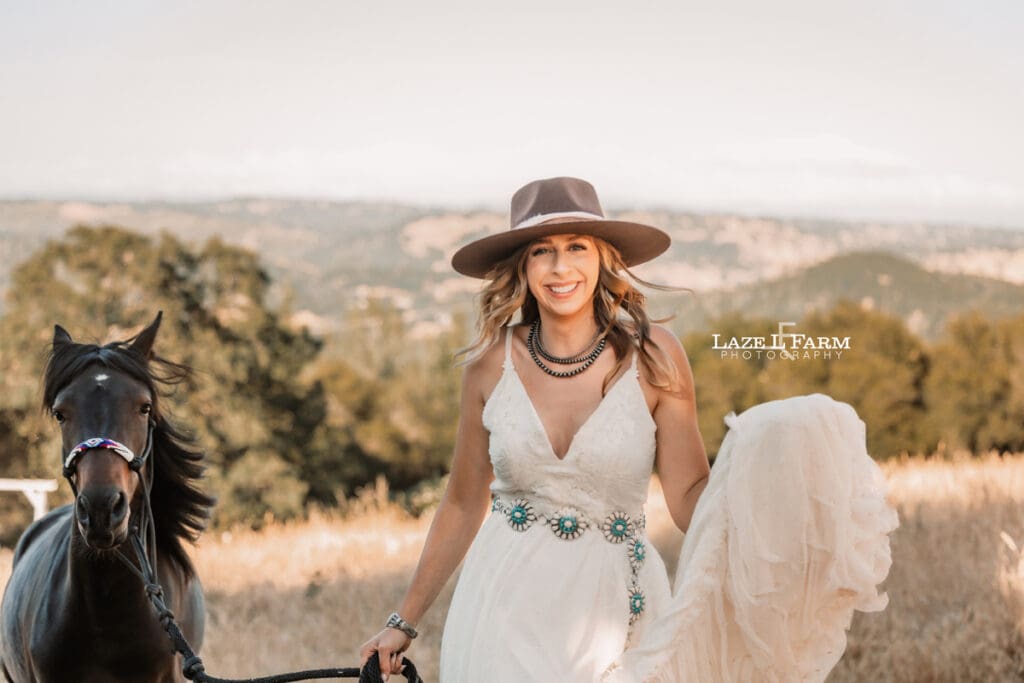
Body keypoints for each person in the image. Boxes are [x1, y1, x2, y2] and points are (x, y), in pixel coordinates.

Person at [358, 177, 898, 682]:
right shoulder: (488, 365)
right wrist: (402, 621)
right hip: (502, 604)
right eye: (542, 251)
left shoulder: (657, 355)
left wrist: (770, 480)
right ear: (522, 268)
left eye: (576, 247)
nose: (559, 267)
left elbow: (689, 495)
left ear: (602, 259)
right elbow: (460, 503)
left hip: (618, 608)